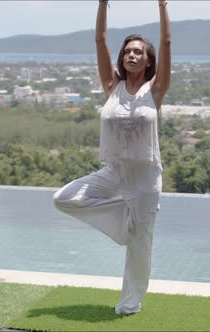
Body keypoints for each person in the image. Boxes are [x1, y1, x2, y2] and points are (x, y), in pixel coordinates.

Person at [53, 0, 171, 315]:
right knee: (64, 198)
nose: (131, 55)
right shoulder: (112, 86)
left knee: (140, 245)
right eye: (127, 51)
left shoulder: (155, 90)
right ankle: (124, 218)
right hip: (114, 173)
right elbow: (99, 40)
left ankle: (130, 303)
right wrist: (103, 3)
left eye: (138, 52)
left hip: (145, 179)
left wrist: (162, 6)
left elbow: (167, 41)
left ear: (148, 61)